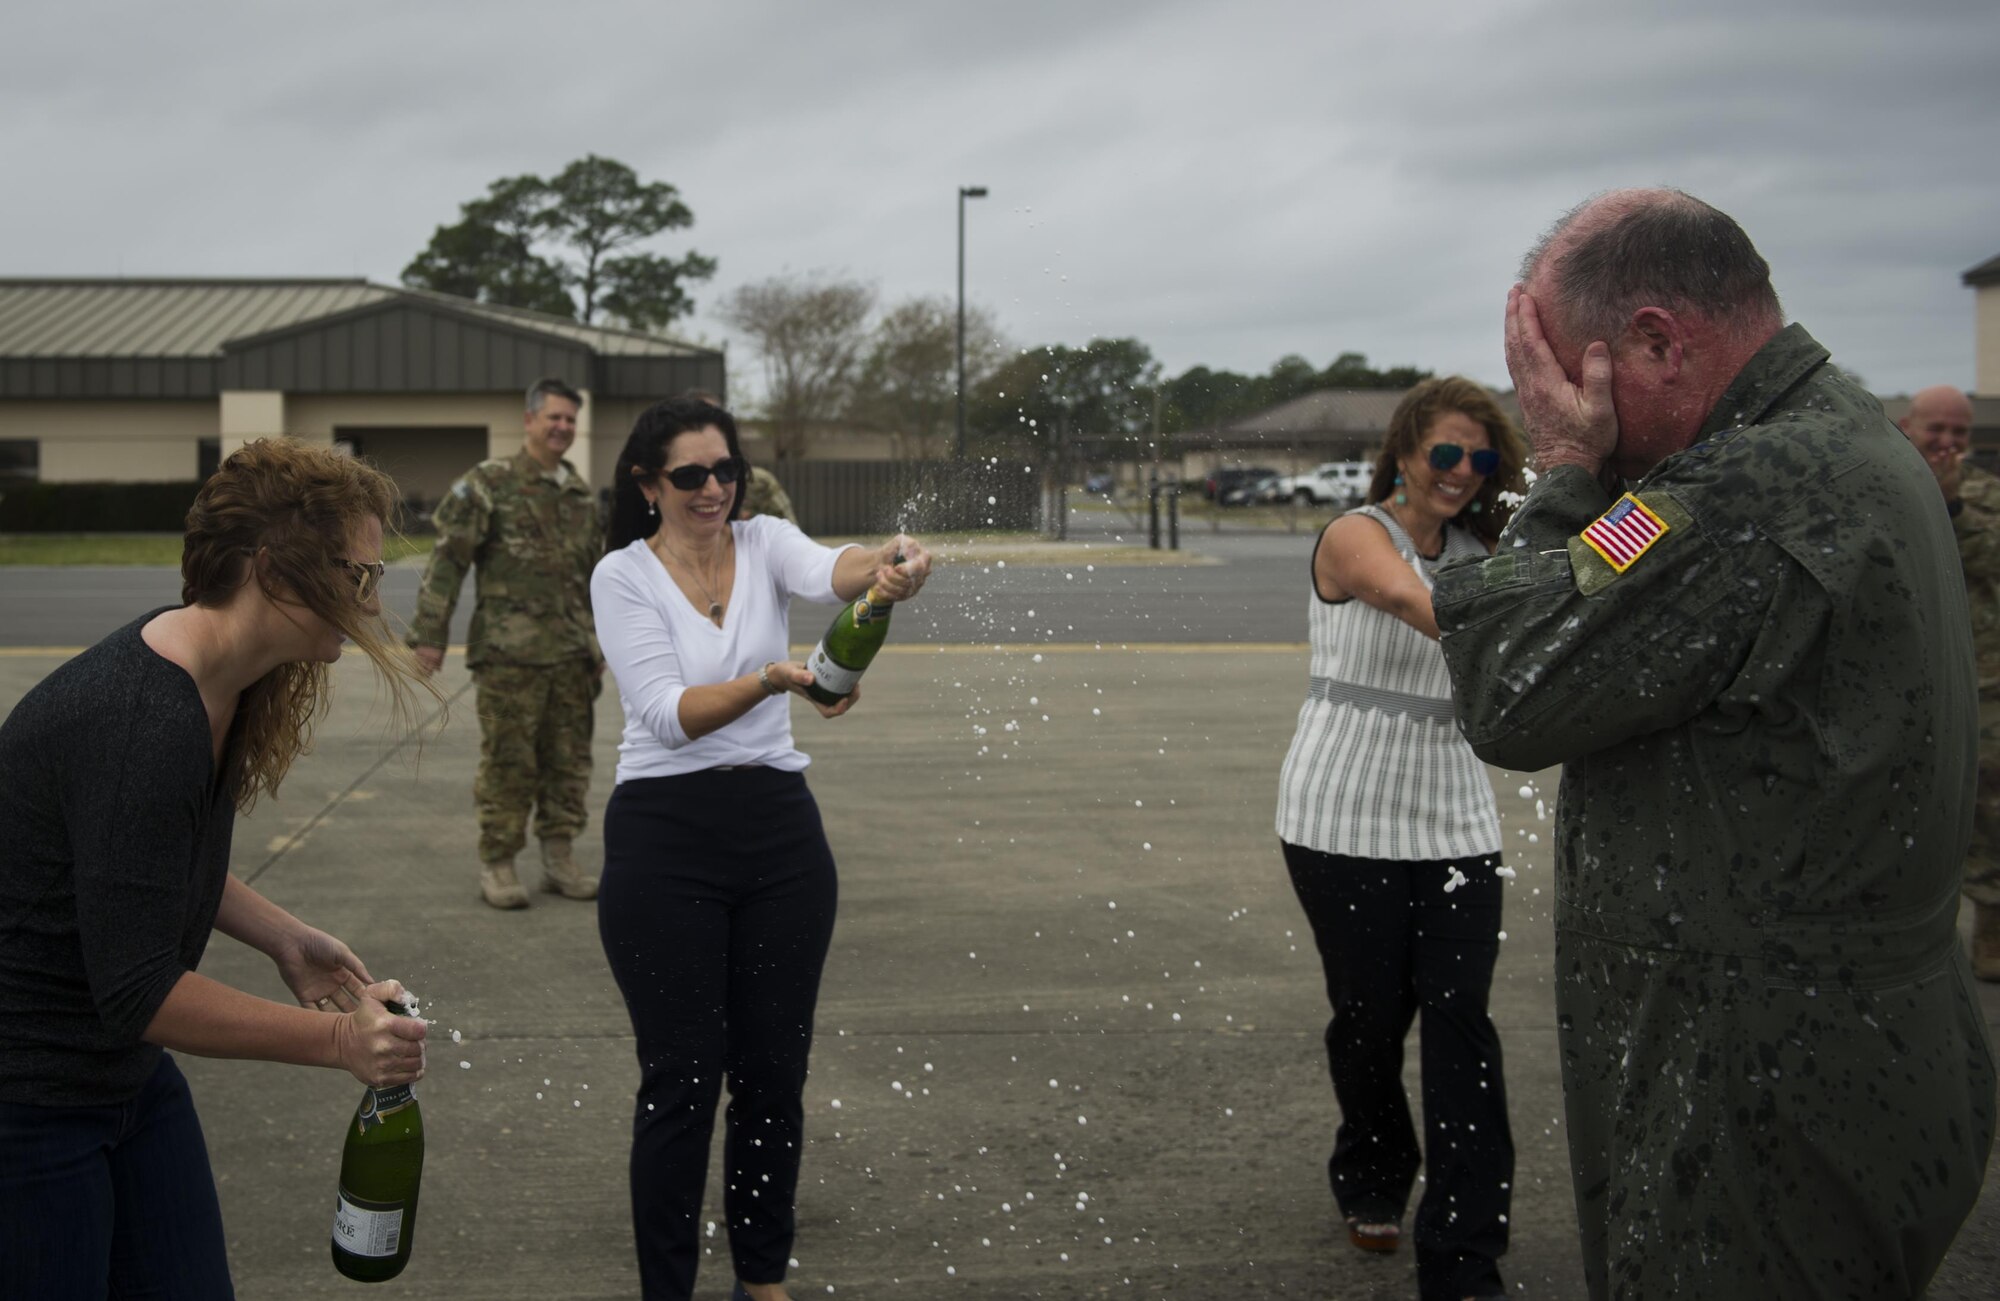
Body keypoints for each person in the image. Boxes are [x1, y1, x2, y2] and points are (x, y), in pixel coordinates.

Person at [1433, 188, 1996, 1298]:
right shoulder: (1843, 437)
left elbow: (1509, 687)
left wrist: (1556, 467)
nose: (1562, 407)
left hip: (1760, 1107)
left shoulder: (1744, 491)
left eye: (1567, 376)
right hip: (1844, 1064)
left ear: (1653, 339)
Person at [0, 438, 431, 1297]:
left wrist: (285, 936)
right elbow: (142, 991)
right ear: (272, 571)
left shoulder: (229, 681)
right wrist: (341, 1039)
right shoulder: (145, 719)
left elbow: (144, 866)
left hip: (122, 1076)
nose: (372, 605)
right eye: (358, 576)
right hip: (29, 1099)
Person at [589, 395, 931, 1301]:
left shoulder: (764, 539)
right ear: (647, 482)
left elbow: (836, 569)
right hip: (664, 839)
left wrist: (889, 568)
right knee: (682, 1082)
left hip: (780, 833)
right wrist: (773, 679)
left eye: (726, 469)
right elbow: (666, 713)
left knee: (774, 1076)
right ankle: (668, 1288)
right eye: (691, 475)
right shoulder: (622, 575)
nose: (714, 489)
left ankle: (761, 1277)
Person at [1275, 376, 1526, 1301]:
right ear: (1406, 451)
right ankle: (1374, 1166)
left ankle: (1464, 1255)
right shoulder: (1355, 536)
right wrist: (1532, 609)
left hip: (1456, 813)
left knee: (1462, 1018)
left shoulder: (1484, 547)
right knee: (1372, 1018)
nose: (1462, 474)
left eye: (1482, 459)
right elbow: (1418, 606)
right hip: (1343, 813)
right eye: (1447, 455)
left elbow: (1575, 564)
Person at [410, 377, 605, 909]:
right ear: (530, 420)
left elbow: (595, 576)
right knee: (509, 762)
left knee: (569, 763)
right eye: (554, 417)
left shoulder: (579, 493)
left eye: (570, 419)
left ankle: (559, 857)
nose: (562, 427)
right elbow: (448, 559)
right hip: (510, 657)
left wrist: (601, 645)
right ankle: (498, 862)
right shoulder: (488, 483)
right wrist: (430, 634)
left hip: (571, 656)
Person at [1898, 384, 2000, 980]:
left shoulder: (1985, 492)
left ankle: (1991, 924)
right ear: (1910, 425)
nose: (1948, 443)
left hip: (1983, 679)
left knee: (1987, 804)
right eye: (1937, 430)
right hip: (1908, 672)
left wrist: (1955, 506)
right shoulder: (1884, 478)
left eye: (1960, 434)